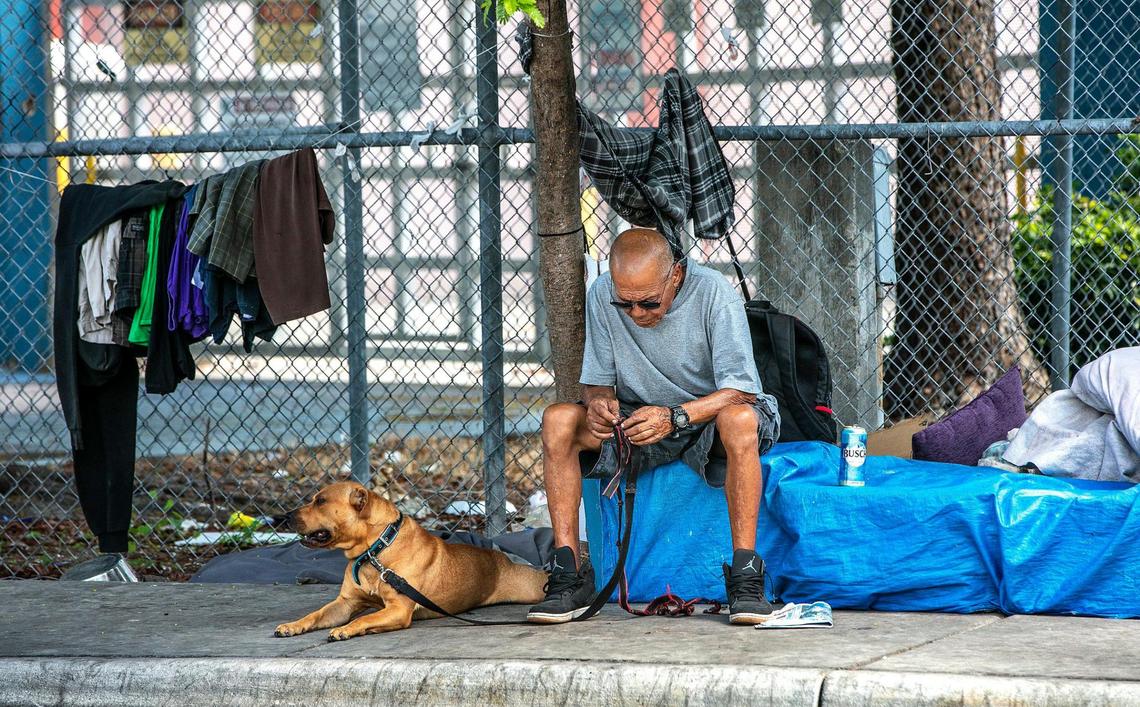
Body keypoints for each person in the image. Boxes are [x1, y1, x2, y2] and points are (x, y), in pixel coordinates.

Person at [527, 227, 781, 625]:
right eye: (625, 304)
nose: (637, 314)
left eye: (648, 302)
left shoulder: (713, 291)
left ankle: (746, 577)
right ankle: (570, 574)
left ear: (676, 275)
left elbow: (742, 391)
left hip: (709, 412)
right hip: (640, 416)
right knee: (559, 419)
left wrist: (677, 415)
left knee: (739, 420)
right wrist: (597, 406)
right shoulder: (601, 293)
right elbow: (596, 383)